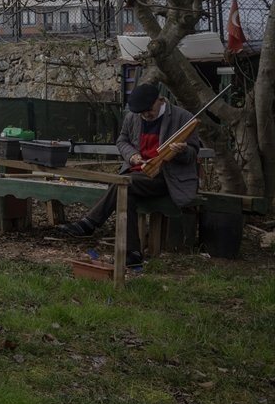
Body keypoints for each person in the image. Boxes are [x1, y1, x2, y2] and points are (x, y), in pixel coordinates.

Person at [60, 83, 200, 268]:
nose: (146, 115)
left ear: (161, 100)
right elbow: (122, 140)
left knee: (121, 184)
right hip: (138, 173)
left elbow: (192, 153)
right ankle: (132, 253)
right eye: (142, 112)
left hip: (168, 178)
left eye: (149, 110)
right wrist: (132, 155)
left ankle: (90, 223)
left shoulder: (183, 117)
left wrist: (181, 150)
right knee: (125, 191)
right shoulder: (134, 116)